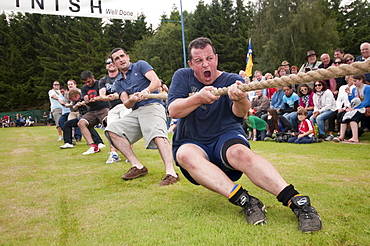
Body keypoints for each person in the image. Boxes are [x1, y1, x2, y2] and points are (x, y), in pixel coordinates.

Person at [167, 37, 321, 232]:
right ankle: (247, 201)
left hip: (225, 135)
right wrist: (198, 98)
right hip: (193, 140)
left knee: (240, 154)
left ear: (216, 58)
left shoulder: (232, 80)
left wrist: (240, 99)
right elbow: (173, 110)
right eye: (198, 61)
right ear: (191, 64)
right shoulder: (182, 76)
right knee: (184, 155)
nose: (205, 64)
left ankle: (297, 202)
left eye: (209, 58)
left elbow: (240, 112)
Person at [104, 47, 179, 186]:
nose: (121, 60)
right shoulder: (119, 82)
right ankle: (138, 167)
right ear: (114, 63)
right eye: (117, 59)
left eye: (122, 56)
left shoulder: (140, 65)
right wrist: (133, 99)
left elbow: (155, 81)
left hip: (153, 106)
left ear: (128, 57)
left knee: (158, 135)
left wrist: (144, 91)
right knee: (111, 130)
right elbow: (126, 103)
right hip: (136, 111)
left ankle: (171, 173)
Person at [98, 57, 132, 164]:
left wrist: (117, 95)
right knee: (111, 130)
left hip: (124, 105)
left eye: (112, 62)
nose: (111, 64)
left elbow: (129, 90)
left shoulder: (123, 76)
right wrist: (108, 97)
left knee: (126, 129)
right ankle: (114, 153)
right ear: (106, 66)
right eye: (108, 63)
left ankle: (129, 154)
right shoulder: (103, 80)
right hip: (112, 108)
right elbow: (102, 95)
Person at [78, 71, 109, 155]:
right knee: (81, 123)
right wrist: (87, 100)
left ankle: (115, 147)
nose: (87, 84)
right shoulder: (84, 88)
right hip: (92, 111)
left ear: (93, 77)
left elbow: (106, 94)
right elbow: (85, 99)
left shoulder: (100, 83)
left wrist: (98, 98)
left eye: (89, 81)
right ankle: (93, 146)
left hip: (103, 108)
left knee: (110, 123)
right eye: (85, 82)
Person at [333, 74, 370, 143]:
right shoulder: (354, 89)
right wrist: (349, 94)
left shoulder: (367, 88)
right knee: (343, 117)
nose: (354, 83)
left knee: (353, 118)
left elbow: (366, 102)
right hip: (355, 108)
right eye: (353, 81)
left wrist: (355, 108)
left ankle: (355, 137)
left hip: (364, 108)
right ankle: (341, 136)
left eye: (355, 81)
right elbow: (353, 101)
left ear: (361, 80)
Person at [325, 76, 356, 141]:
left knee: (340, 115)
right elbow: (339, 99)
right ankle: (331, 134)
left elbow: (352, 100)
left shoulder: (355, 88)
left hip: (349, 108)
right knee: (331, 116)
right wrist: (339, 108)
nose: (351, 79)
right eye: (350, 78)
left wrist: (344, 108)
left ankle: (340, 133)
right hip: (340, 107)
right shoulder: (342, 87)